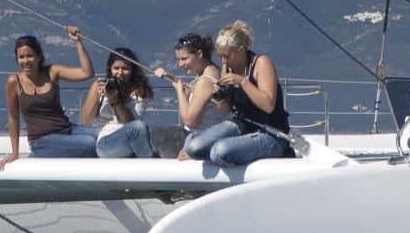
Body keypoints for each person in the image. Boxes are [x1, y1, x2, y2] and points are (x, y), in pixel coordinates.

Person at [180, 21, 293, 165]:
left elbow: (268, 104)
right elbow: (225, 110)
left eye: (227, 56)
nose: (223, 61)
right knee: (194, 147)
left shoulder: (261, 63)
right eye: (221, 56)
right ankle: (237, 149)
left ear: (241, 50)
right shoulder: (228, 69)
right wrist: (221, 97)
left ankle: (243, 151)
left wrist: (243, 82)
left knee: (219, 151)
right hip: (242, 124)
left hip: (270, 132)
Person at [0, 26, 96, 167]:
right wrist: (15, 152)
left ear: (39, 56)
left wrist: (78, 42)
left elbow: (87, 73)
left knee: (104, 136)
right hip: (41, 141)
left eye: (30, 56)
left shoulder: (52, 72)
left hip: (68, 130)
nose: (26, 61)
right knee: (89, 144)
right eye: (21, 57)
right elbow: (13, 117)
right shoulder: (13, 82)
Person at [83, 44, 155, 158]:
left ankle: (147, 161)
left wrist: (116, 101)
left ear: (132, 70)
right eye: (116, 68)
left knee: (139, 127)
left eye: (125, 69)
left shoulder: (139, 90)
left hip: (131, 137)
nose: (120, 72)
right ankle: (149, 164)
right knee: (139, 128)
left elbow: (131, 124)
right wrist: (97, 96)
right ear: (110, 69)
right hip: (106, 142)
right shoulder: (100, 85)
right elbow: (85, 121)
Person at [156, 32, 224, 135]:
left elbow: (190, 121)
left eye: (184, 59)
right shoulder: (210, 72)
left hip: (199, 137)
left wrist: (179, 92)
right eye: (178, 60)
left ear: (199, 54)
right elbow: (195, 93)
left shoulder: (205, 81)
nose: (180, 64)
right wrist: (172, 78)